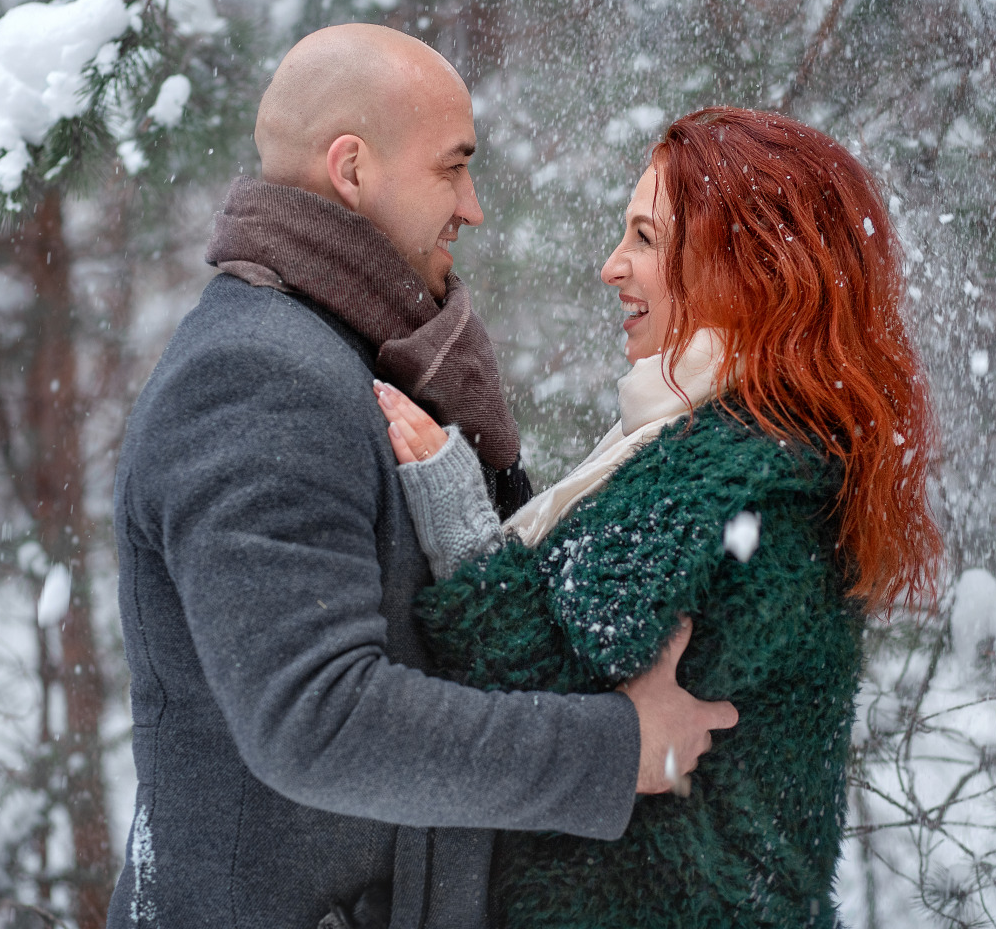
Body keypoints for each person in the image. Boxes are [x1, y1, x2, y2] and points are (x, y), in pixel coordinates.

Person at [106, 26, 737, 929]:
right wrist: (617, 750)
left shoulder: (352, 353)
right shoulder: (257, 376)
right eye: (452, 168)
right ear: (352, 170)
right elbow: (317, 720)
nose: (472, 207)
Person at [377, 106, 942, 927]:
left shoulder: (759, 486)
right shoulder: (696, 443)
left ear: (749, 264)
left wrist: (461, 528)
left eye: (645, 238)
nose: (612, 267)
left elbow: (552, 697)